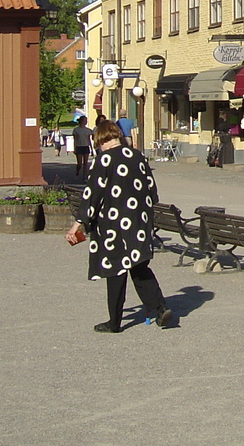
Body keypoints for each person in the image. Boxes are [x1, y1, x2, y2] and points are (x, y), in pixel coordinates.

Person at [67, 120, 174, 333]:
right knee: (139, 267)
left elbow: (92, 195)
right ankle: (161, 308)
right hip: (138, 222)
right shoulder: (137, 156)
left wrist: (78, 224)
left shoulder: (104, 160)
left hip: (113, 225)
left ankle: (114, 322)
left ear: (101, 140)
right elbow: (152, 192)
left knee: (115, 270)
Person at [72, 115, 93, 179]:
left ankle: (84, 176)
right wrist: (74, 148)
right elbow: (75, 140)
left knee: (85, 163)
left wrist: (91, 148)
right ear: (81, 121)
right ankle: (78, 170)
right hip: (79, 146)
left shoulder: (88, 130)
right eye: (85, 120)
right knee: (79, 163)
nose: (86, 121)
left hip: (86, 146)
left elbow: (89, 139)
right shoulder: (76, 130)